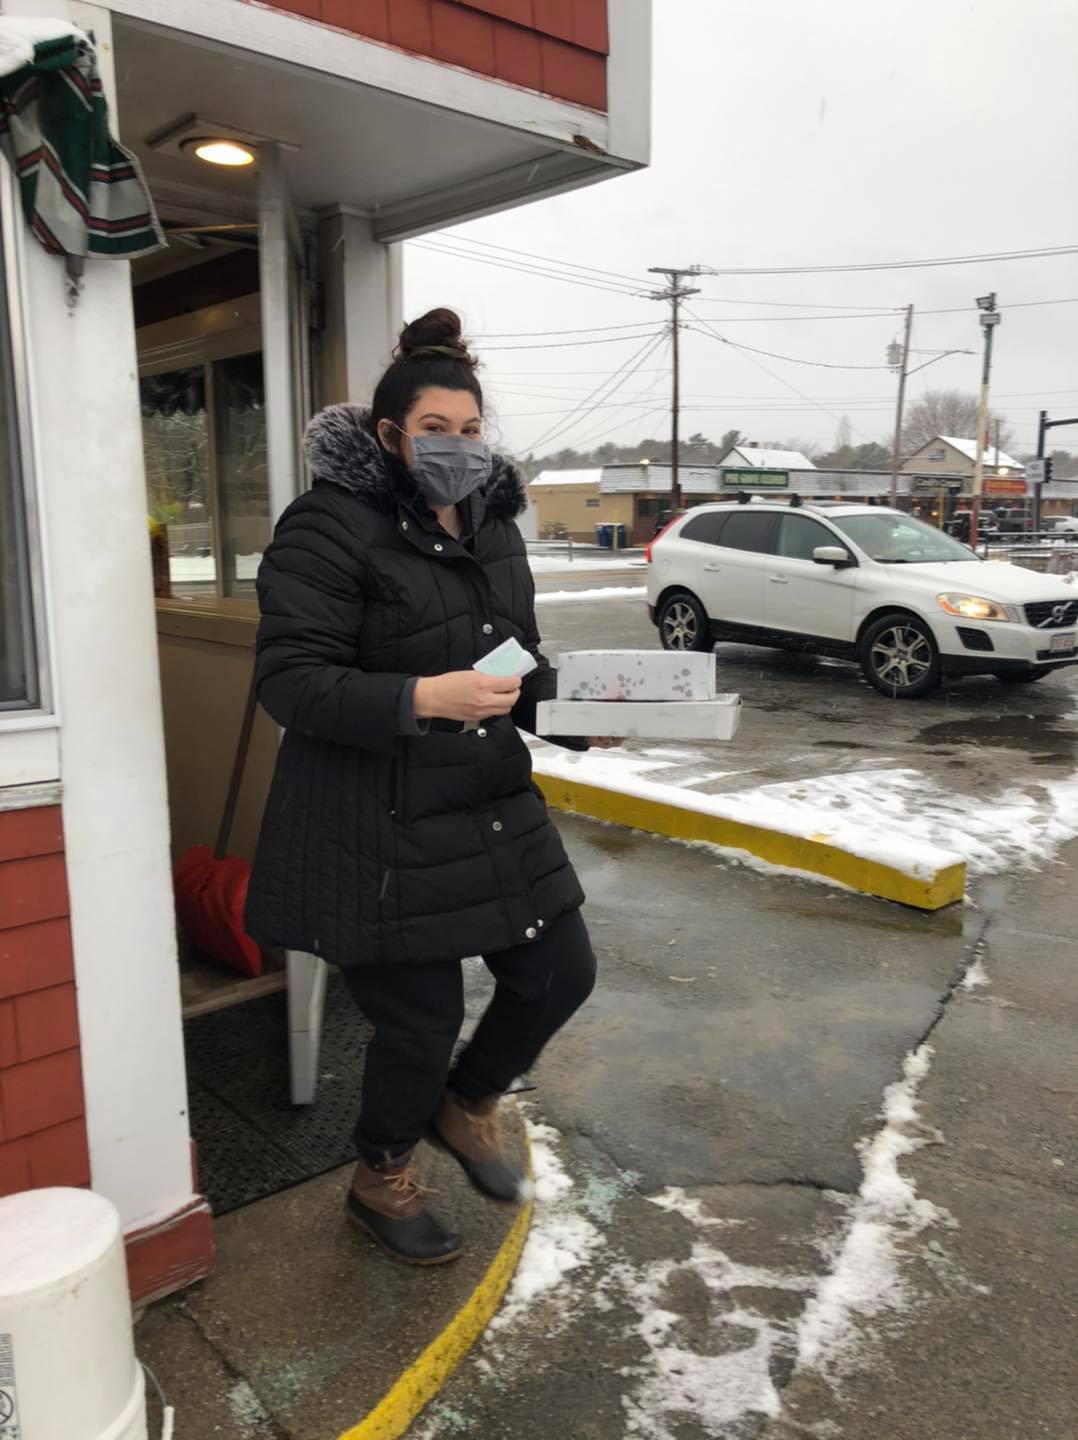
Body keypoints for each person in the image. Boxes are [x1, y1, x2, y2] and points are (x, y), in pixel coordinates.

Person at [246, 309, 614, 1266]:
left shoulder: (495, 525)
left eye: (471, 428)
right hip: (372, 817)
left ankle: (468, 1103)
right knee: (420, 1021)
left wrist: (572, 711)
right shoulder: (328, 527)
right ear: (389, 436)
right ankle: (380, 1176)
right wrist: (419, 697)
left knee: (560, 972)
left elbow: (513, 662)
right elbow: (291, 681)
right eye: (435, 429)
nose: (458, 446)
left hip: (487, 800)